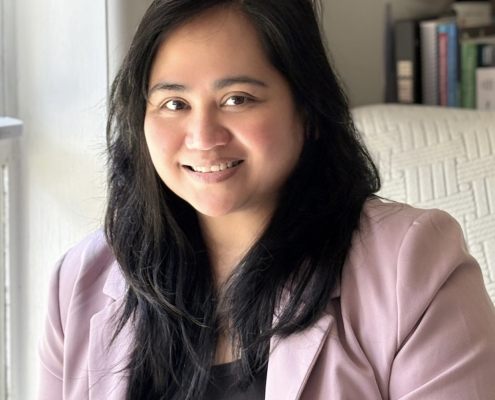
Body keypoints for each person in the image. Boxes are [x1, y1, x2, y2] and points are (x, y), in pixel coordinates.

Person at [38, 0, 495, 399]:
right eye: (174, 103)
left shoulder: (413, 267)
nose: (203, 137)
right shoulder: (77, 282)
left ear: (309, 111)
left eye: (237, 99)